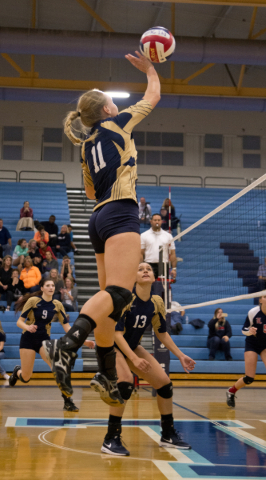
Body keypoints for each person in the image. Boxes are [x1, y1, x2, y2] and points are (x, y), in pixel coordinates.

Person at [43, 50, 161, 406]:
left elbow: (91, 190)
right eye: (111, 100)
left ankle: (107, 371)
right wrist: (151, 69)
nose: (114, 103)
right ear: (108, 110)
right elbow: (152, 96)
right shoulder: (117, 123)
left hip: (97, 218)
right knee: (121, 294)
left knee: (112, 300)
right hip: (121, 212)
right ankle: (67, 344)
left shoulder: (85, 145)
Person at [101, 262, 195, 455]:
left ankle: (168, 434)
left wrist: (181, 355)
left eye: (148, 269)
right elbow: (117, 334)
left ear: (154, 278)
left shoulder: (156, 302)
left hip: (132, 346)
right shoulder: (126, 298)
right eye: (140, 268)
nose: (145, 270)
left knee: (164, 384)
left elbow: (162, 333)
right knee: (126, 383)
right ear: (133, 277)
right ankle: (110, 439)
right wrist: (134, 359)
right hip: (112, 346)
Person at [8, 278, 94, 411]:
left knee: (57, 369)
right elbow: (19, 322)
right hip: (28, 339)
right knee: (26, 377)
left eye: (52, 285)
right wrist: (28, 327)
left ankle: (68, 401)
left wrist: (83, 340)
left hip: (44, 341)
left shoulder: (58, 304)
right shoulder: (33, 301)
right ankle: (16, 372)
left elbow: (67, 328)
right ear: (42, 288)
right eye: (47, 285)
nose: (51, 287)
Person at [226, 294, 266, 412]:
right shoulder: (253, 312)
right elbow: (243, 329)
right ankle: (231, 391)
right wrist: (250, 331)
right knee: (249, 378)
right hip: (252, 344)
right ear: (260, 300)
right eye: (265, 297)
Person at [141, 214, 177, 281]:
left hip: (163, 266)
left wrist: (174, 269)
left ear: (161, 221)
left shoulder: (168, 236)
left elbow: (172, 253)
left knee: (163, 289)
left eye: (158, 220)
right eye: (155, 220)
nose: (157, 222)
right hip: (149, 265)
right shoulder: (144, 235)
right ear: (151, 221)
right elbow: (140, 253)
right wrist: (141, 268)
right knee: (149, 289)